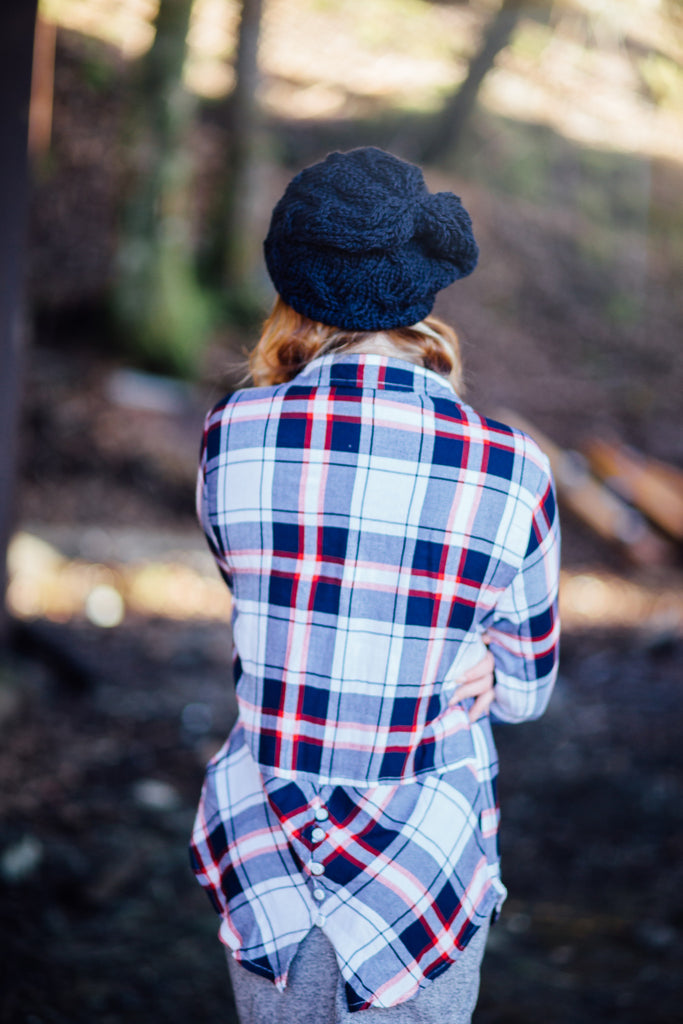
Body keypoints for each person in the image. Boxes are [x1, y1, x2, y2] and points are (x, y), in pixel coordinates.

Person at [190, 147, 560, 1023]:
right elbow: (526, 690)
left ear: (294, 284)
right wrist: (479, 657)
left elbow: (251, 581)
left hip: (265, 856)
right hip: (416, 869)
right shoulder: (512, 468)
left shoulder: (229, 435)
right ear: (420, 286)